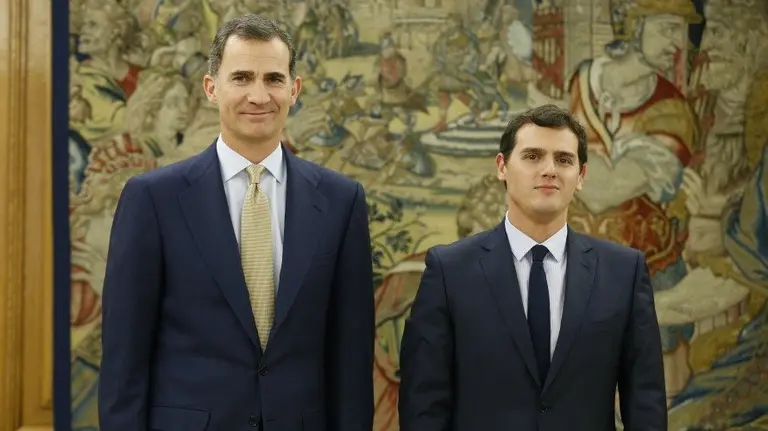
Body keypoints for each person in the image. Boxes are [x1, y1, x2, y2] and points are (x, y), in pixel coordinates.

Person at [98, 14, 375, 430]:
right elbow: (124, 358)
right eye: (242, 77)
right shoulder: (152, 199)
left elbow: (351, 357)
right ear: (212, 88)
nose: (259, 95)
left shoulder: (341, 201)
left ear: (294, 89)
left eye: (274, 79)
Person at [398, 104, 666, 430]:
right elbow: (423, 401)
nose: (549, 169)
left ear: (580, 176)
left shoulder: (624, 272)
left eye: (564, 159)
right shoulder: (449, 271)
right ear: (502, 166)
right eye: (533, 156)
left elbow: (645, 401)